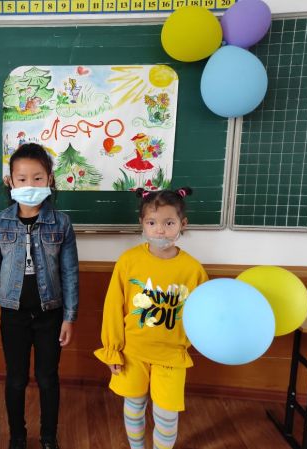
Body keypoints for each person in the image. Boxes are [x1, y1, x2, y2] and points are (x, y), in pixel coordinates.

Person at [94, 187, 208, 449]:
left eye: (169, 223)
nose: (160, 230)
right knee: (134, 407)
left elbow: (203, 314)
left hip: (171, 356)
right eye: (152, 223)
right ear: (142, 224)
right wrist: (112, 350)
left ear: (182, 224)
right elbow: (113, 307)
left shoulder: (193, 270)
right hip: (133, 352)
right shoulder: (128, 261)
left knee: (167, 415)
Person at [0, 143, 79, 449]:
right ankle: (18, 436)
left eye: (37, 178)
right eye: (22, 178)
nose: (30, 185)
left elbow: (70, 273)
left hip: (51, 314)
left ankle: (49, 436)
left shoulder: (61, 223)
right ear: (10, 181)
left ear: (49, 179)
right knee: (16, 379)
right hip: (13, 314)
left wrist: (69, 317)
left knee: (48, 378)